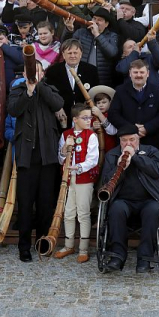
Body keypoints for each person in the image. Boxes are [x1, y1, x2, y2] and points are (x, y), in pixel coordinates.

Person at [8, 59, 64, 262]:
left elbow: (58, 104)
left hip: (47, 154)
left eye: (37, 71)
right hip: (26, 155)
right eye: (30, 71)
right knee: (25, 203)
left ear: (42, 73)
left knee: (45, 202)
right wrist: (29, 91)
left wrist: (39, 85)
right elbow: (14, 110)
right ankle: (24, 246)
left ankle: (42, 241)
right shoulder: (18, 90)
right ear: (24, 73)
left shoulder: (49, 87)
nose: (33, 74)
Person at [101, 125, 159, 274]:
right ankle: (117, 256)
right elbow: (105, 181)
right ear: (119, 141)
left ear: (138, 139)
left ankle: (145, 258)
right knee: (115, 209)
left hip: (149, 199)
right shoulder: (113, 155)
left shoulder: (150, 151)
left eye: (132, 140)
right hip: (123, 201)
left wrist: (135, 157)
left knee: (154, 210)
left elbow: (157, 171)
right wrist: (119, 168)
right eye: (124, 141)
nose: (128, 144)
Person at [54, 104, 99, 263]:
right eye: (85, 117)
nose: (89, 120)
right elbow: (60, 158)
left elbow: (93, 160)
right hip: (68, 180)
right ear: (75, 119)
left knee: (83, 213)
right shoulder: (66, 134)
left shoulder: (91, 136)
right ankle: (68, 245)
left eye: (89, 117)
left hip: (84, 179)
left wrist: (79, 167)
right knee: (68, 212)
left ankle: (84, 248)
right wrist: (65, 147)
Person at [108, 59, 159, 149]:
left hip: (151, 141)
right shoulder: (120, 90)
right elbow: (113, 114)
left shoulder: (158, 90)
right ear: (130, 73)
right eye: (135, 72)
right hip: (126, 141)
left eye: (142, 72)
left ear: (148, 73)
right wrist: (131, 129)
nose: (138, 75)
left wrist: (147, 128)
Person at [43, 38, 100, 128]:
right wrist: (57, 107)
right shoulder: (53, 71)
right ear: (63, 55)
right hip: (62, 117)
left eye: (75, 53)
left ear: (81, 54)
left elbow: (95, 93)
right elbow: (49, 94)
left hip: (85, 118)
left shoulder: (91, 70)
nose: (73, 56)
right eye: (69, 53)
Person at [63, 7, 119, 85]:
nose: (96, 22)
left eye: (100, 20)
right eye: (94, 18)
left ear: (106, 24)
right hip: (81, 76)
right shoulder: (81, 32)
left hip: (102, 79)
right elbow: (65, 46)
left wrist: (97, 35)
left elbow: (112, 53)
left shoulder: (112, 36)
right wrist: (68, 31)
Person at [89, 85, 118, 153]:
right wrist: (93, 128)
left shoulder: (113, 115)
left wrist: (100, 114)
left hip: (110, 149)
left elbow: (112, 131)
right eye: (98, 103)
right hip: (95, 150)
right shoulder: (91, 116)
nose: (101, 105)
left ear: (110, 103)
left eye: (104, 102)